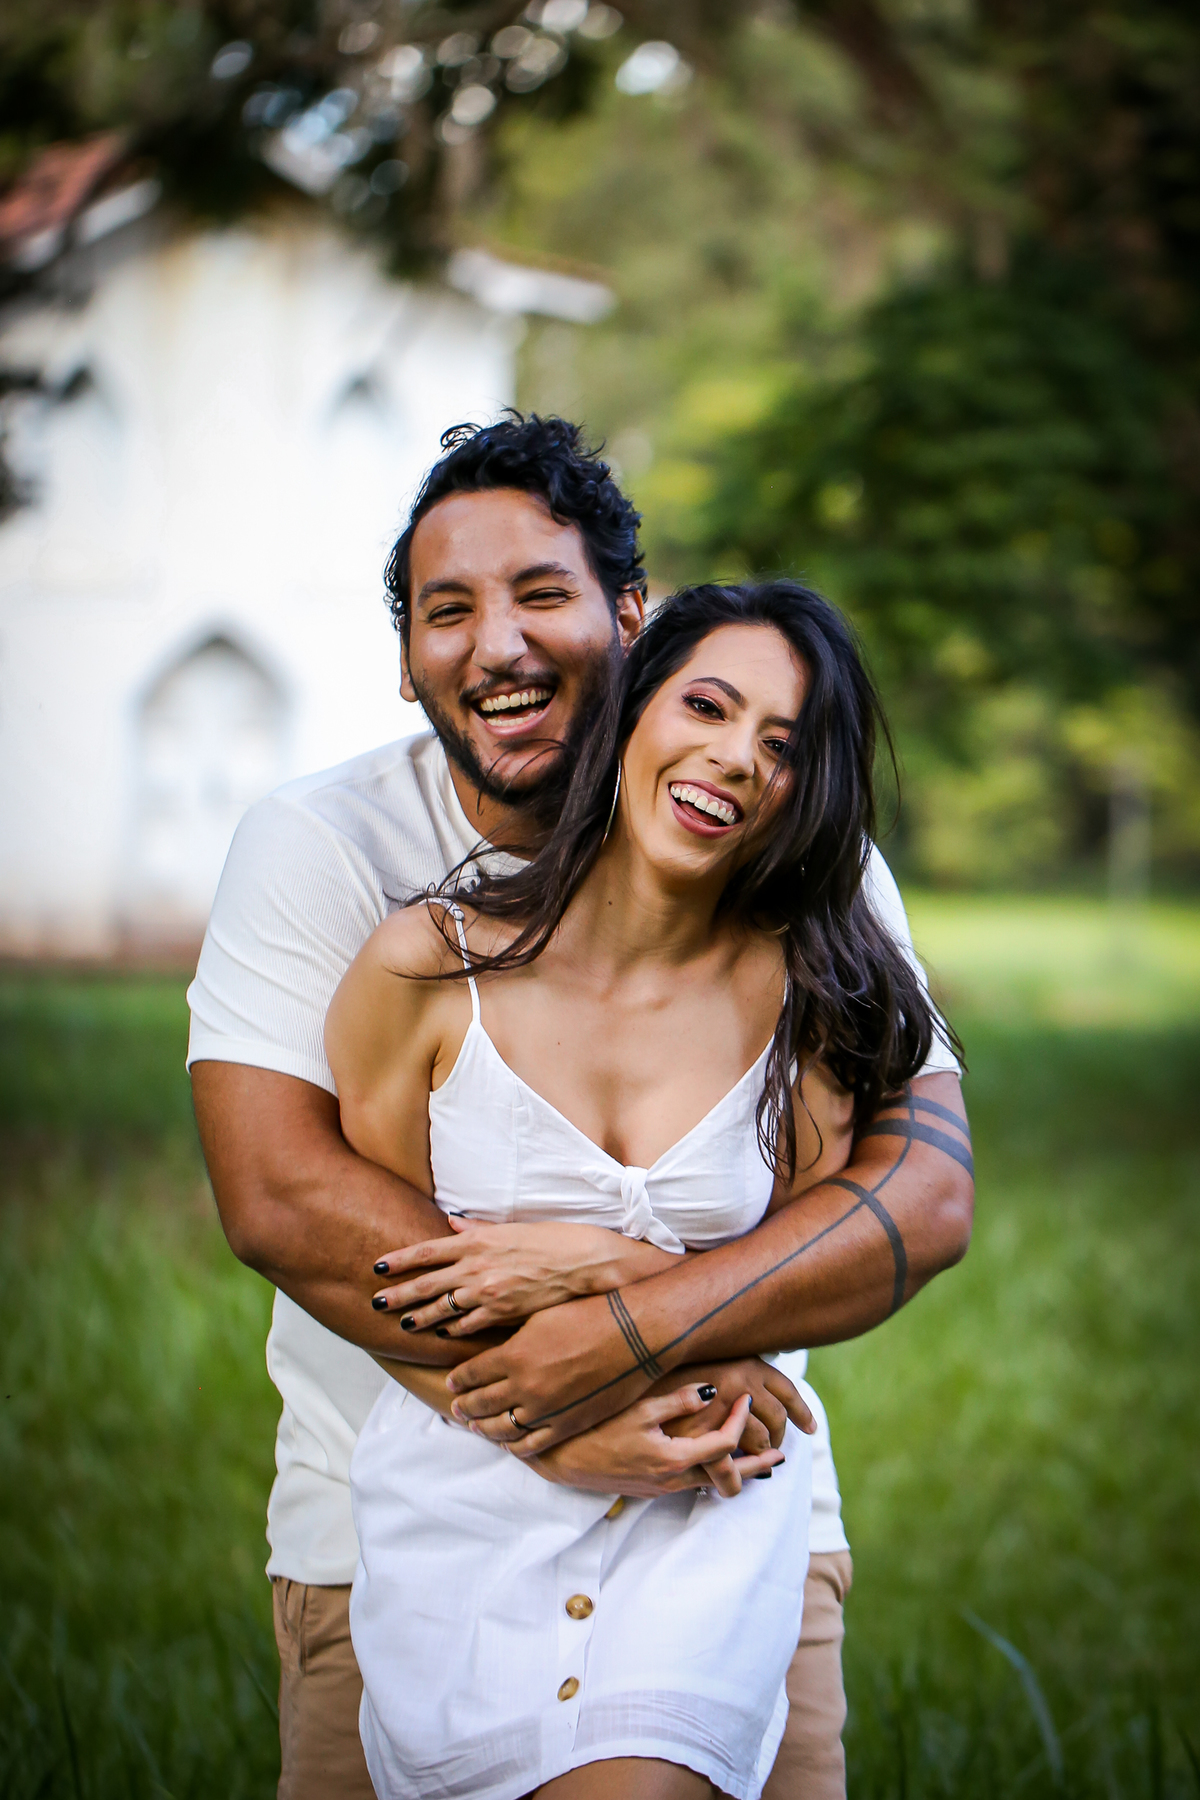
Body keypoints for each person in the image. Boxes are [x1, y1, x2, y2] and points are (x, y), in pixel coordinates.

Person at [188, 416, 972, 1800]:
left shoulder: (802, 870)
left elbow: (920, 1191)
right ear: (412, 653)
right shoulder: (339, 860)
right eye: (450, 610)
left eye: (541, 593)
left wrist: (624, 1317)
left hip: (722, 1497)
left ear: (630, 615)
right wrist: (549, 1411)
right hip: (397, 1544)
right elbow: (284, 1198)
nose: (497, 644)